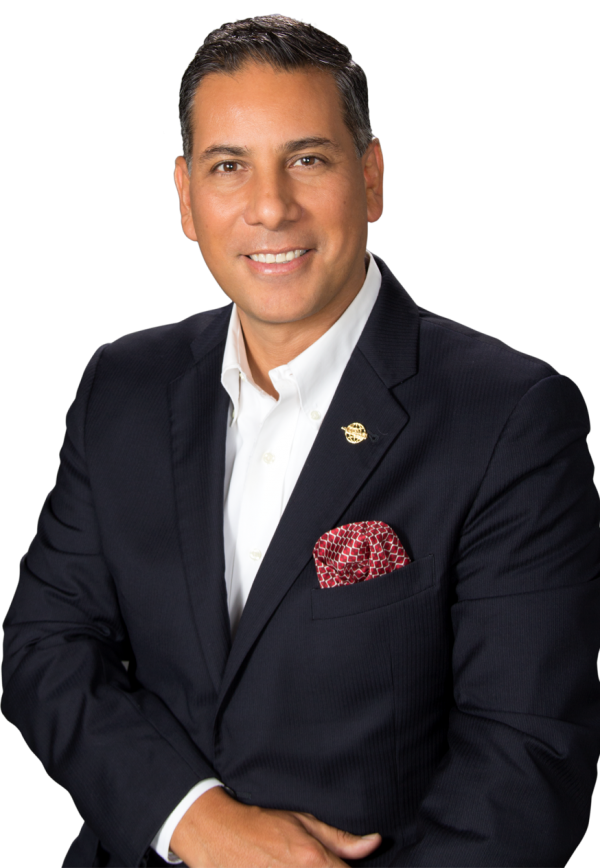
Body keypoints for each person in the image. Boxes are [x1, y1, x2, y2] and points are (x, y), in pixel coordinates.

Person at [3, 13, 599, 868]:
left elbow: (526, 762)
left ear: (373, 178)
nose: (270, 207)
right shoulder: (122, 384)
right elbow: (47, 649)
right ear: (185, 197)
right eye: (229, 167)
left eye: (308, 160)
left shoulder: (512, 416)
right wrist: (194, 821)